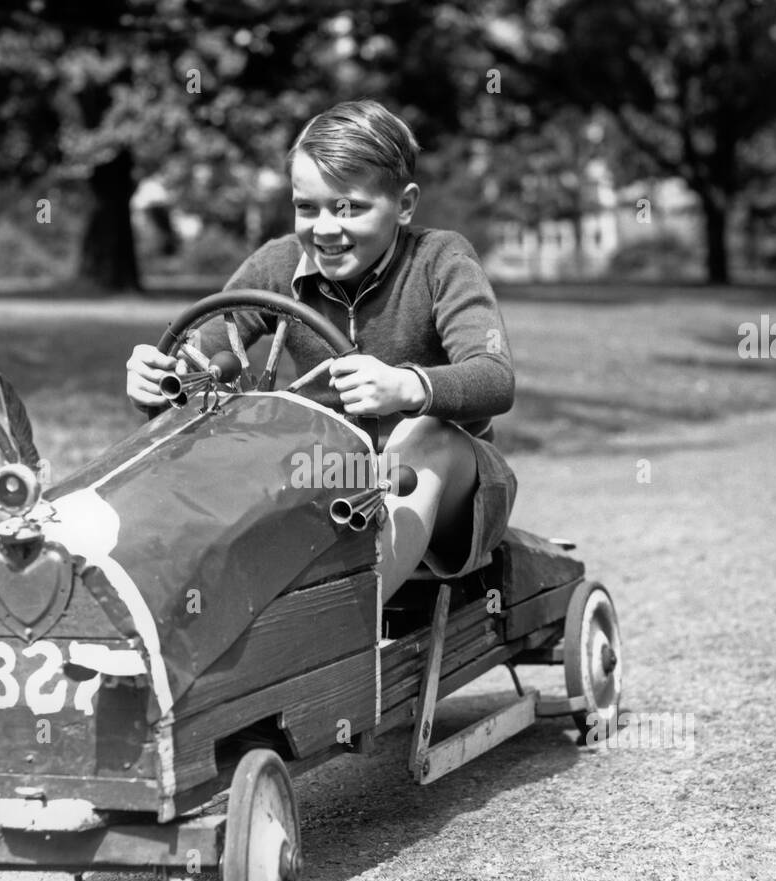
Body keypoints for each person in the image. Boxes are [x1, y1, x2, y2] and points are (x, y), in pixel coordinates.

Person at [126, 99, 516, 600]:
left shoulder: (441, 259)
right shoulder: (278, 263)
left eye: (349, 207)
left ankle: (353, 617)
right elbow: (200, 362)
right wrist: (157, 382)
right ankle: (166, 596)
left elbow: (495, 378)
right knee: (235, 435)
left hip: (447, 495)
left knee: (425, 437)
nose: (325, 227)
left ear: (405, 204)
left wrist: (406, 386)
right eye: (307, 207)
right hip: (327, 474)